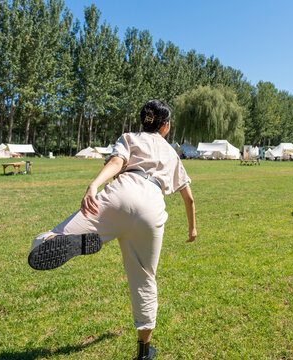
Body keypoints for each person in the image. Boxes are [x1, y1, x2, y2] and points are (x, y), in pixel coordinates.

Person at [28, 99, 197, 360]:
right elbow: (189, 198)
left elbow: (117, 162)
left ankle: (61, 241)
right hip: (151, 205)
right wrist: (192, 230)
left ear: (142, 121)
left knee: (50, 239)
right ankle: (143, 351)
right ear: (166, 126)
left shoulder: (129, 137)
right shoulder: (171, 152)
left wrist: (93, 185)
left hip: (120, 193)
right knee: (144, 279)